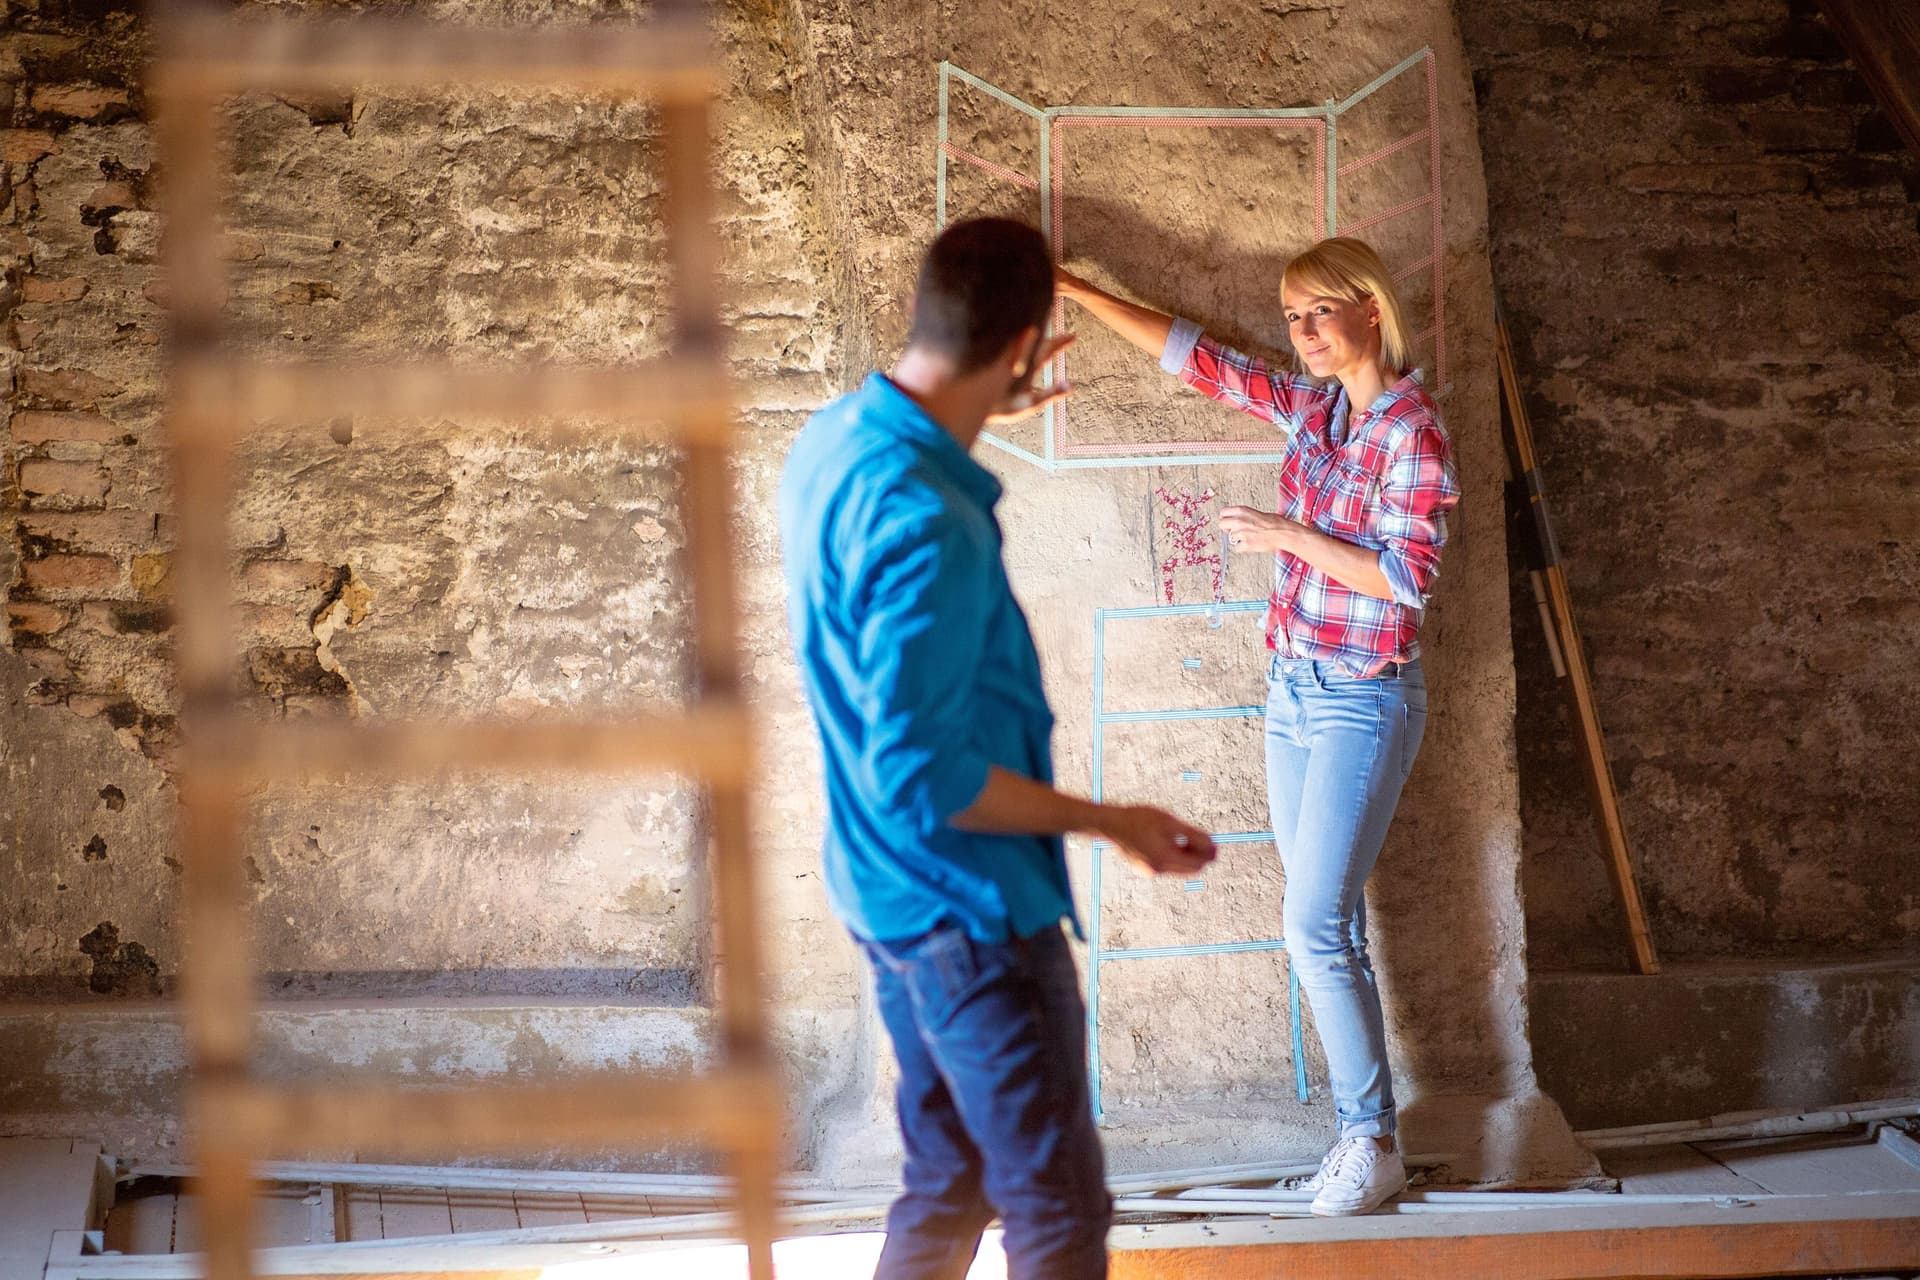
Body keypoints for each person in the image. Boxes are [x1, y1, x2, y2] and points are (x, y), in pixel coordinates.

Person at [779, 216, 1218, 1279]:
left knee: (952, 1181)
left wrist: (985, 405)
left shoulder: (835, 438)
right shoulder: (931, 519)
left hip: (887, 892)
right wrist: (1108, 819)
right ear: (1027, 340)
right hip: (967, 911)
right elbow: (924, 774)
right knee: (1055, 1210)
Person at [1055, 236, 1461, 1218]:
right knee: (1335, 920)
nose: (1305, 333)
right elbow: (1200, 360)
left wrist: (1290, 537)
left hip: (1365, 695)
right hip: (1291, 692)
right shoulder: (1315, 409)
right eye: (1293, 318)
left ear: (1372, 309)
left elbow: (1408, 581)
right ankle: (1369, 1141)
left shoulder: (1414, 430)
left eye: (1321, 311)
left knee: (1312, 922)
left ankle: (1368, 1138)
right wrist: (1078, 285)